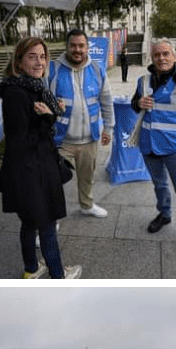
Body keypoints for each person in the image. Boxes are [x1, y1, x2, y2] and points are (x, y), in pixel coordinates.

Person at [0, 36, 82, 281]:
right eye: (32, 56)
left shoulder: (33, 87)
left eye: (42, 56)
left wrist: (51, 110)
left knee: (30, 223)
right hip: (32, 172)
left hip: (34, 168)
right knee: (46, 225)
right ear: (19, 61)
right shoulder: (16, 94)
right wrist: (47, 118)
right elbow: (21, 141)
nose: (39, 62)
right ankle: (58, 277)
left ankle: (31, 270)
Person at [131, 38, 176, 252]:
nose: (162, 58)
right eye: (157, 55)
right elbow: (134, 106)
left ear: (174, 56)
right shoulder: (143, 81)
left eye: (166, 54)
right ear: (151, 57)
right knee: (159, 184)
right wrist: (138, 103)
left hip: (173, 145)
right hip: (148, 143)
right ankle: (165, 214)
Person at [49, 28, 114, 218]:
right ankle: (53, 218)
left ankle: (87, 206)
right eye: (73, 45)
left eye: (81, 45)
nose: (77, 49)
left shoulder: (97, 69)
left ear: (87, 47)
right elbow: (42, 101)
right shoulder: (52, 69)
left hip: (89, 139)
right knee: (53, 181)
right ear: (67, 47)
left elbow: (106, 101)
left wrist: (108, 128)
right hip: (61, 140)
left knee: (87, 178)